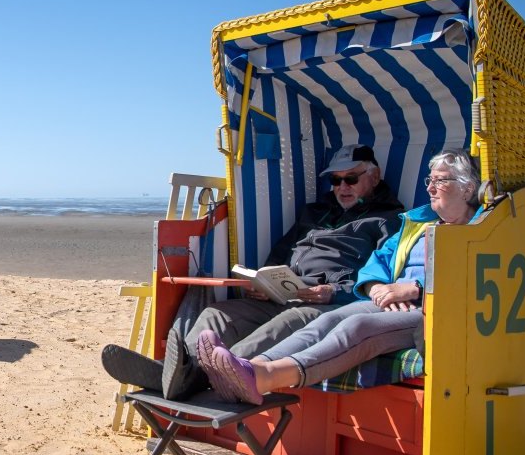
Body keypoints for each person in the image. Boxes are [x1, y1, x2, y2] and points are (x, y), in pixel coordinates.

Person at [103, 144, 405, 399]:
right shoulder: (316, 212)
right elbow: (280, 252)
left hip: (324, 302)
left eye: (350, 179)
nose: (341, 187)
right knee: (216, 314)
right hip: (283, 293)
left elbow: (382, 277)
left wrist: (333, 292)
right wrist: (263, 280)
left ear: (374, 177)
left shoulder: (388, 220)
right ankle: (180, 374)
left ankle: (209, 375)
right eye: (335, 181)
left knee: (285, 323)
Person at [199, 149, 481, 405]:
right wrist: (375, 286)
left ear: (467, 188)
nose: (430, 188)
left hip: (433, 311)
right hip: (389, 301)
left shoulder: (483, 231)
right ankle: (251, 368)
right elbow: (378, 262)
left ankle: (266, 377)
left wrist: (415, 289)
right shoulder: (418, 225)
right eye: (429, 180)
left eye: (440, 181)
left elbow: (475, 277)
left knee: (357, 325)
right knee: (328, 320)